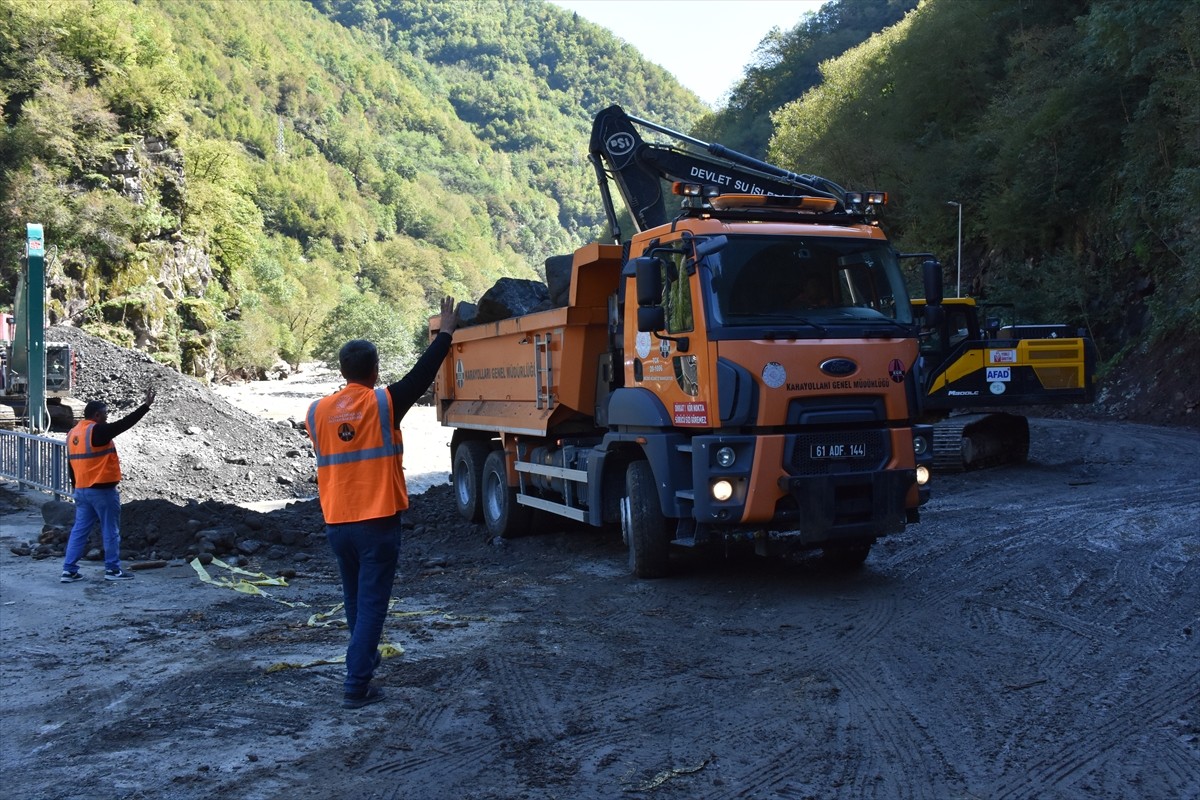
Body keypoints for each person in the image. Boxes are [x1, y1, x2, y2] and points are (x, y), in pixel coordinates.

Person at [306, 296, 458, 710]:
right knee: (372, 603)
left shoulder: (316, 411)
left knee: (356, 599)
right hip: (377, 523)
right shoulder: (383, 403)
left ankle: (365, 659)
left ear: (342, 371)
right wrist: (446, 331)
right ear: (374, 371)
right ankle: (356, 683)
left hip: (337, 523)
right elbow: (421, 375)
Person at [61, 387, 156, 583]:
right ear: (96, 415)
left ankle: (69, 570)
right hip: (102, 491)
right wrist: (145, 406)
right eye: (105, 414)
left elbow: (72, 463)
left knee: (79, 531)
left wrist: (75, 488)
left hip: (82, 490)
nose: (107, 417)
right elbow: (124, 424)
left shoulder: (73, 433)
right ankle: (112, 570)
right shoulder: (97, 431)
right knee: (110, 530)